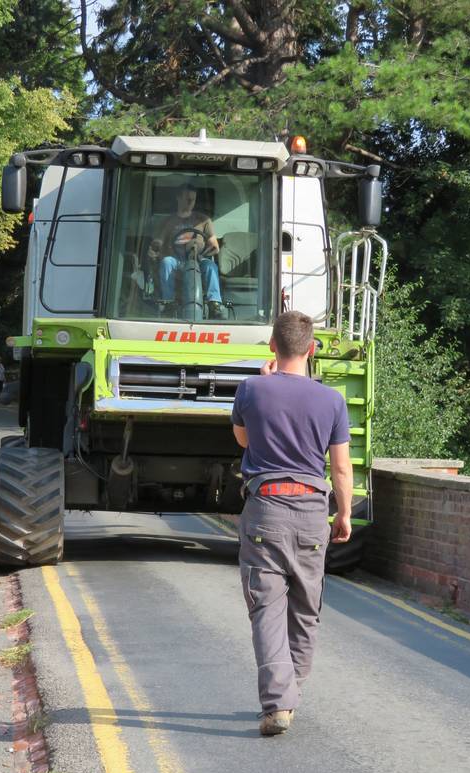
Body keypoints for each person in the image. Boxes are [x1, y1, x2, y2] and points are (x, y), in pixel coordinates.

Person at [231, 310, 353, 737]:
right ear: (312, 349)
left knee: (266, 607)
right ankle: (288, 695)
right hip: (311, 512)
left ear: (272, 347)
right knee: (305, 610)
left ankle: (279, 701)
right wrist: (345, 513)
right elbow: (340, 468)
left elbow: (244, 439)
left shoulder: (250, 389)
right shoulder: (332, 400)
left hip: (265, 507)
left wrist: (262, 384)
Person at [148, 181, 224, 319]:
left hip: (198, 260)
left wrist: (203, 255)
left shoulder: (203, 220)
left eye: (193, 199)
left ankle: (215, 304)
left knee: (211, 266)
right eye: (187, 199)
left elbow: (215, 247)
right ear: (178, 198)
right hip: (176, 260)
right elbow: (158, 243)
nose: (190, 202)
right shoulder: (167, 221)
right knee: (166, 262)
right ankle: (168, 303)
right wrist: (154, 249)